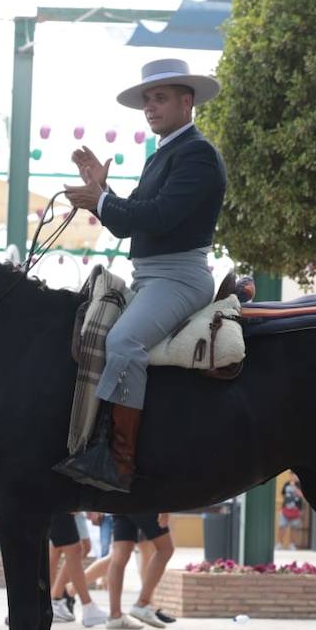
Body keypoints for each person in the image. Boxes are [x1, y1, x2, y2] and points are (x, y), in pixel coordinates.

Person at [56, 59, 227, 493]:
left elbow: (158, 217)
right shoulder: (164, 155)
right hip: (150, 277)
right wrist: (103, 192)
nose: (151, 107)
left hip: (180, 278)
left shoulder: (198, 155)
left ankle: (119, 463)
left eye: (161, 98)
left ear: (187, 102)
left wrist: (102, 199)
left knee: (123, 340)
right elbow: (126, 220)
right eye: (147, 100)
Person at [104, 513, 176, 629]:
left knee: (119, 555)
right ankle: (142, 603)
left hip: (118, 501)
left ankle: (115, 615)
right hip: (143, 503)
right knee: (165, 549)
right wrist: (164, 509)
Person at [45, 514, 108, 627]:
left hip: (62, 503)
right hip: (60, 502)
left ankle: (53, 601)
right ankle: (85, 606)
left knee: (68, 548)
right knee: (73, 548)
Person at [279, 474, 305, 550]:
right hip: (285, 509)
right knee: (282, 526)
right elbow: (283, 494)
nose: (293, 477)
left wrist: (294, 487)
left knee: (294, 528)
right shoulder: (286, 484)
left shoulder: (300, 485)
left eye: (295, 476)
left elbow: (301, 495)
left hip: (296, 510)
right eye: (292, 475)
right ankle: (280, 544)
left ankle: (292, 544)